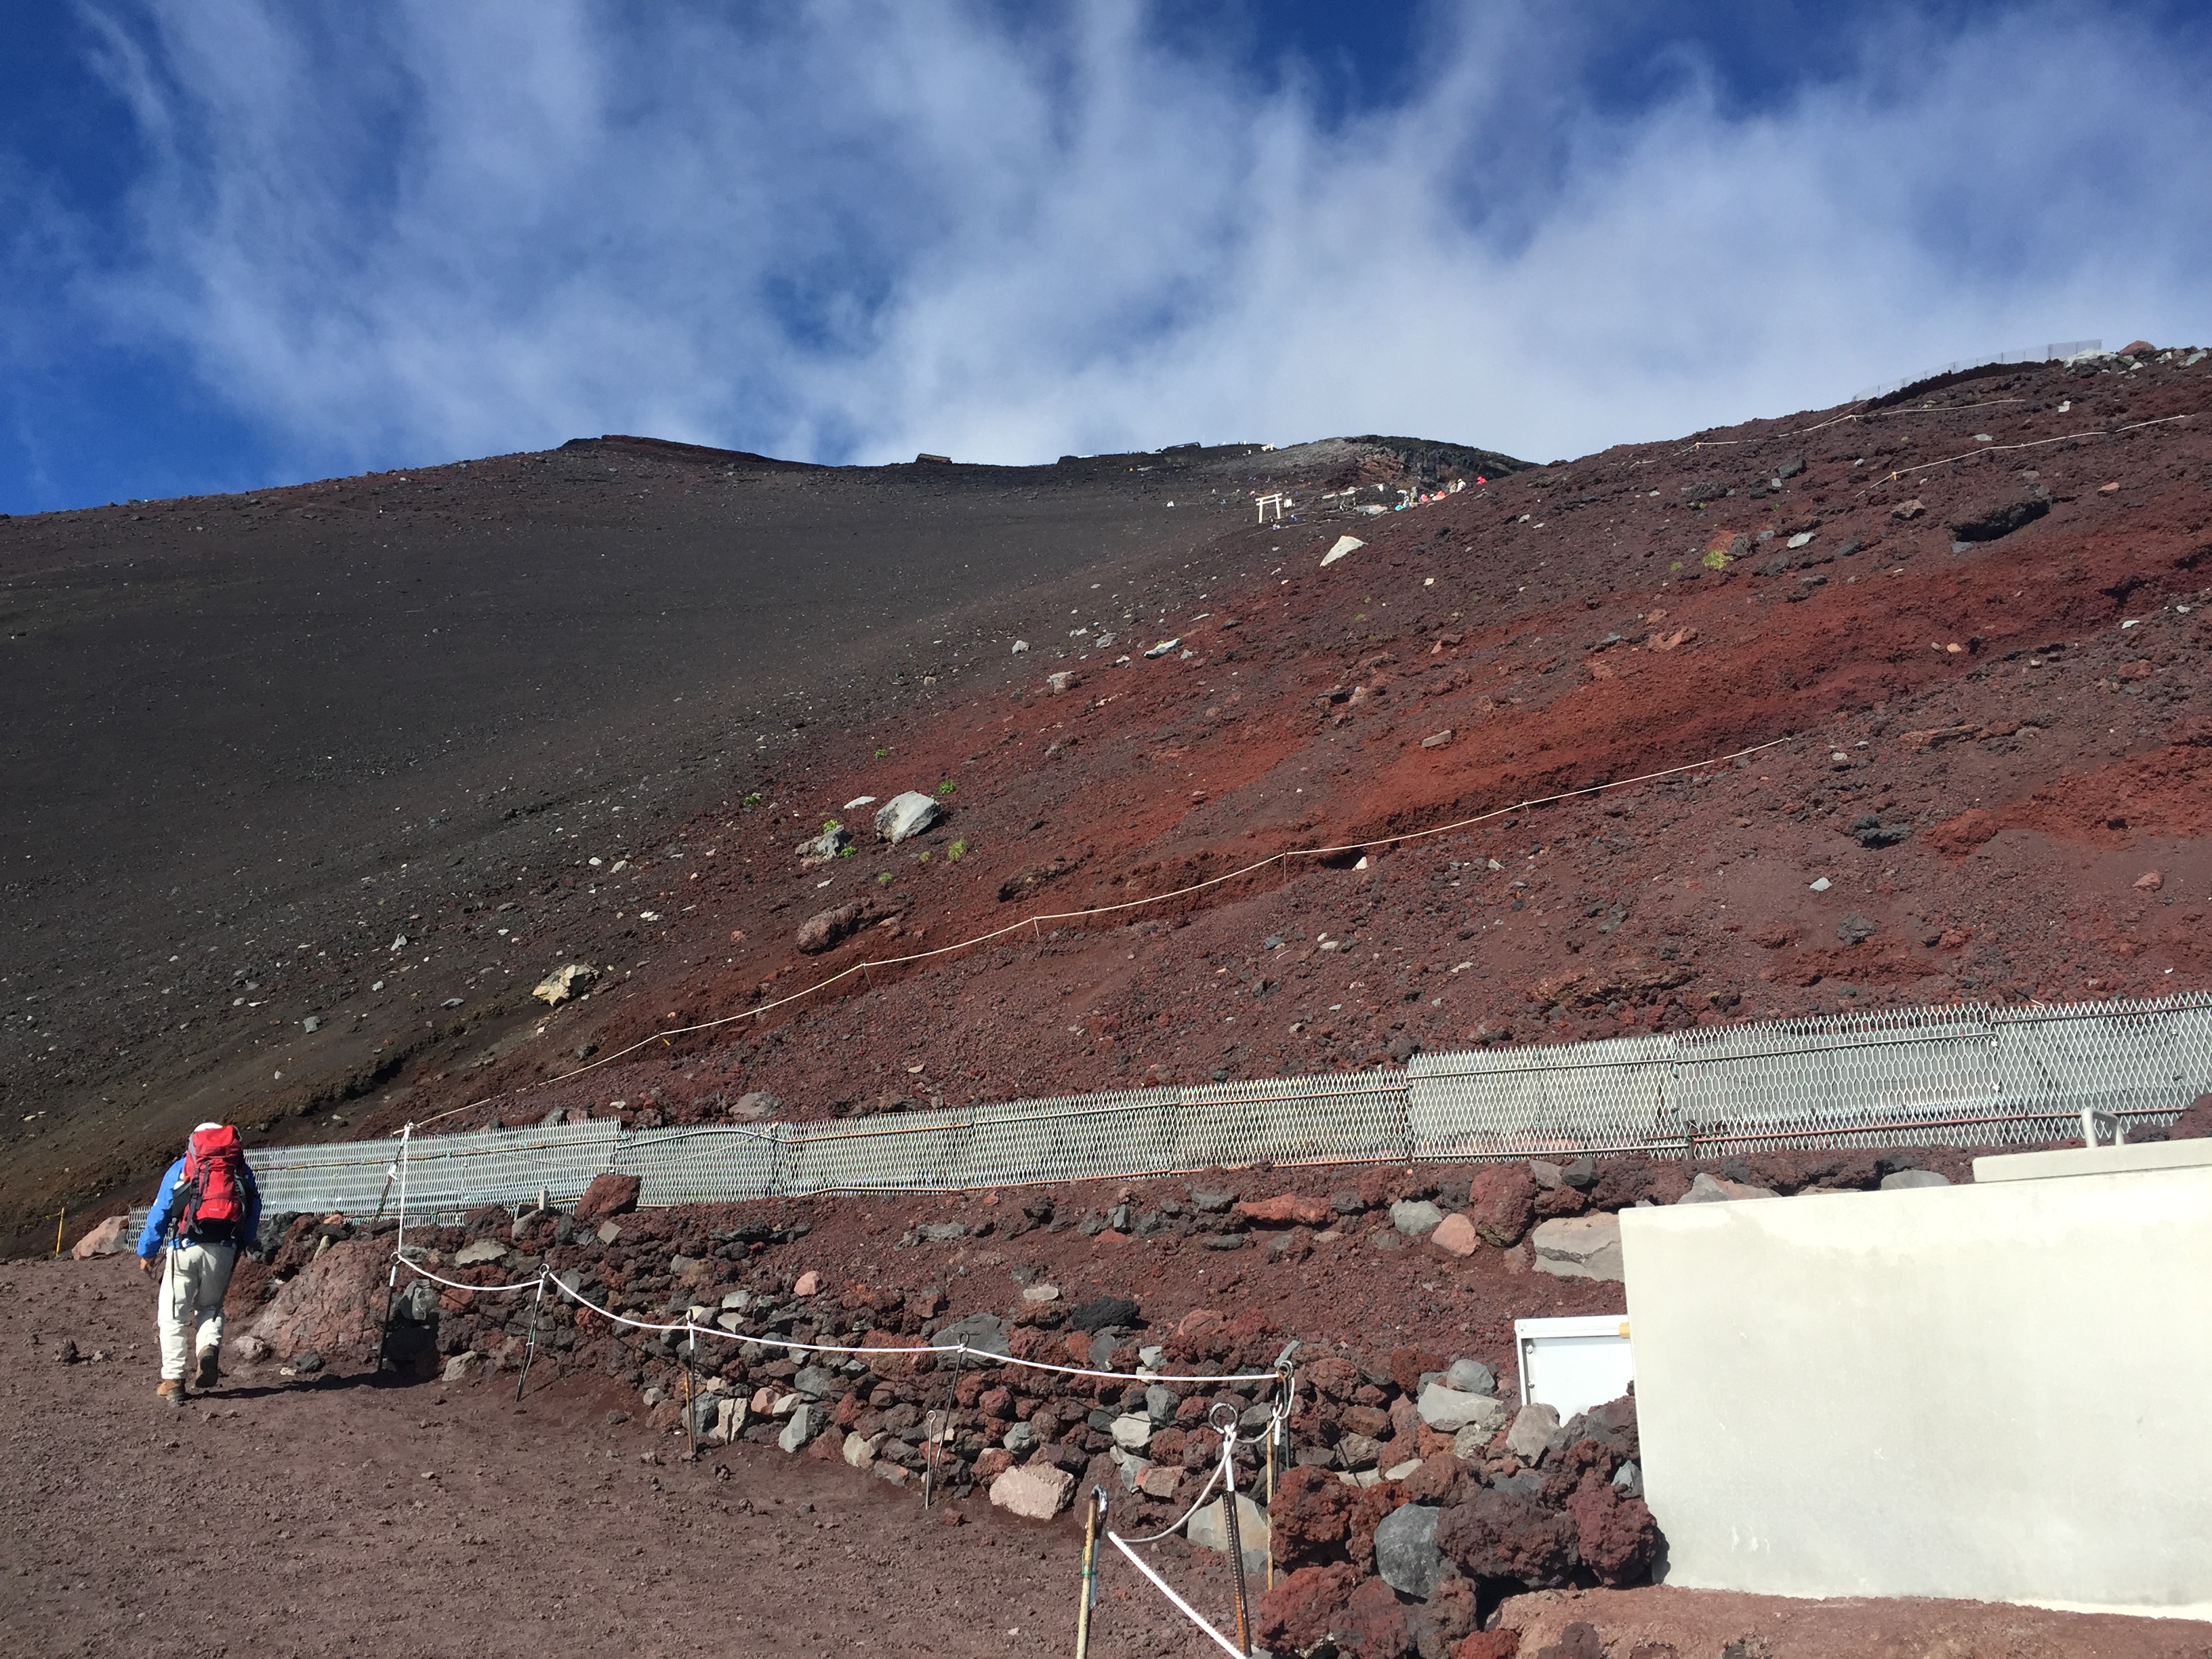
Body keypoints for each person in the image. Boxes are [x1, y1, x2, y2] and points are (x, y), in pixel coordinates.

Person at [136, 1122, 261, 1405]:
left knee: (173, 1315)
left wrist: (148, 1251)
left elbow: (161, 1211)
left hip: (185, 1247)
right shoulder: (238, 1169)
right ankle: (208, 1348)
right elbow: (253, 1207)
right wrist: (241, 1244)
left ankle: (174, 1380)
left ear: (194, 1142)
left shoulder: (184, 1166)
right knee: (210, 1306)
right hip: (223, 1248)